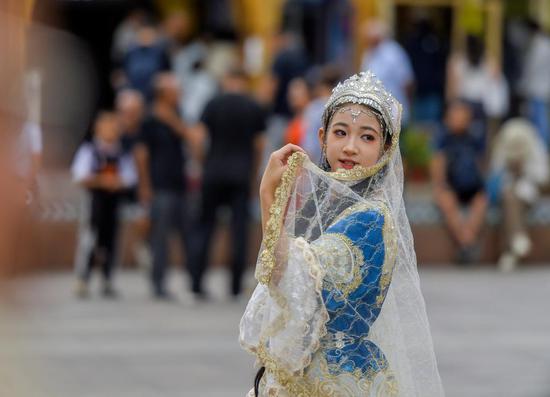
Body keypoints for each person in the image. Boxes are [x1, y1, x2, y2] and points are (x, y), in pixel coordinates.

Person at [240, 72, 444, 396]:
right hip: (314, 371)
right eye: (340, 132)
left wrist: (269, 196)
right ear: (322, 137)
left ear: (386, 148)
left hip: (337, 378)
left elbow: (290, 278)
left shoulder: (371, 218)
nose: (350, 147)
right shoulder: (328, 202)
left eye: (367, 137)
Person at [190, 67, 267, 298]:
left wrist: (203, 162)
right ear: (243, 81)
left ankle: (196, 282)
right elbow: (259, 145)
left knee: (205, 227)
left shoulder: (213, 103)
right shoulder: (253, 106)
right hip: (240, 175)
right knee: (239, 230)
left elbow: (197, 137)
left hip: (213, 172)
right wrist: (254, 173)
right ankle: (234, 286)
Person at [134, 72, 202, 300]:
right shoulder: (149, 120)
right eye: (175, 91)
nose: (179, 95)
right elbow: (141, 155)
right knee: (160, 237)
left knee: (189, 234)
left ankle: (195, 282)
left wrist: (172, 120)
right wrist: (145, 186)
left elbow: (191, 140)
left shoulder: (177, 116)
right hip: (160, 186)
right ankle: (158, 283)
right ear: (163, 95)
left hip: (180, 185)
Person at [71, 111, 137, 298]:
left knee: (111, 240)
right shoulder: (90, 150)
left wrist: (117, 182)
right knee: (89, 240)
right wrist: (101, 180)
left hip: (113, 202)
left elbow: (130, 177)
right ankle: (83, 278)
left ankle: (107, 278)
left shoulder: (121, 151)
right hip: (95, 200)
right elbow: (79, 175)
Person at [431, 100, 488, 264]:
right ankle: (468, 243)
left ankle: (465, 244)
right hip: (451, 186)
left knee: (481, 202)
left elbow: (480, 163)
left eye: (462, 116)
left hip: (471, 185)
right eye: (454, 115)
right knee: (448, 202)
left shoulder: (474, 138)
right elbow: (438, 163)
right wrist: (439, 186)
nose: (458, 119)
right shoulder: (443, 138)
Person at [489, 118, 549, 271]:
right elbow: (495, 174)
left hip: (529, 190)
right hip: (507, 193)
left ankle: (512, 246)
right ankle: (518, 239)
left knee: (513, 201)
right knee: (510, 199)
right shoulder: (502, 145)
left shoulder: (535, 145)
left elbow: (542, 176)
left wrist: (523, 170)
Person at [360, 19, 414, 124]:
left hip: (393, 109)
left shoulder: (394, 52)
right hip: (373, 110)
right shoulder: (368, 53)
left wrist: (408, 106)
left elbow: (407, 81)